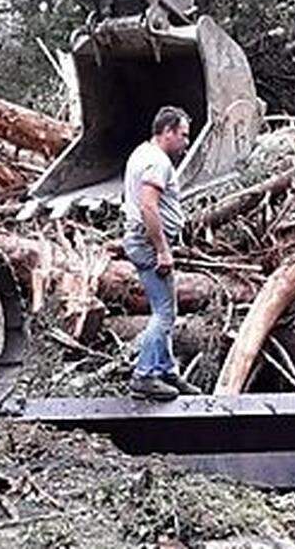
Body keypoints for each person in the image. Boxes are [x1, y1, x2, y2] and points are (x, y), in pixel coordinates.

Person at [122, 106, 201, 401]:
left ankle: (166, 369)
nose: (186, 142)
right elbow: (148, 206)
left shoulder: (141, 154)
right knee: (164, 313)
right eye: (183, 135)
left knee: (167, 309)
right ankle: (144, 375)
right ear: (167, 132)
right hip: (149, 244)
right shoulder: (157, 162)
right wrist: (162, 250)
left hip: (142, 240)